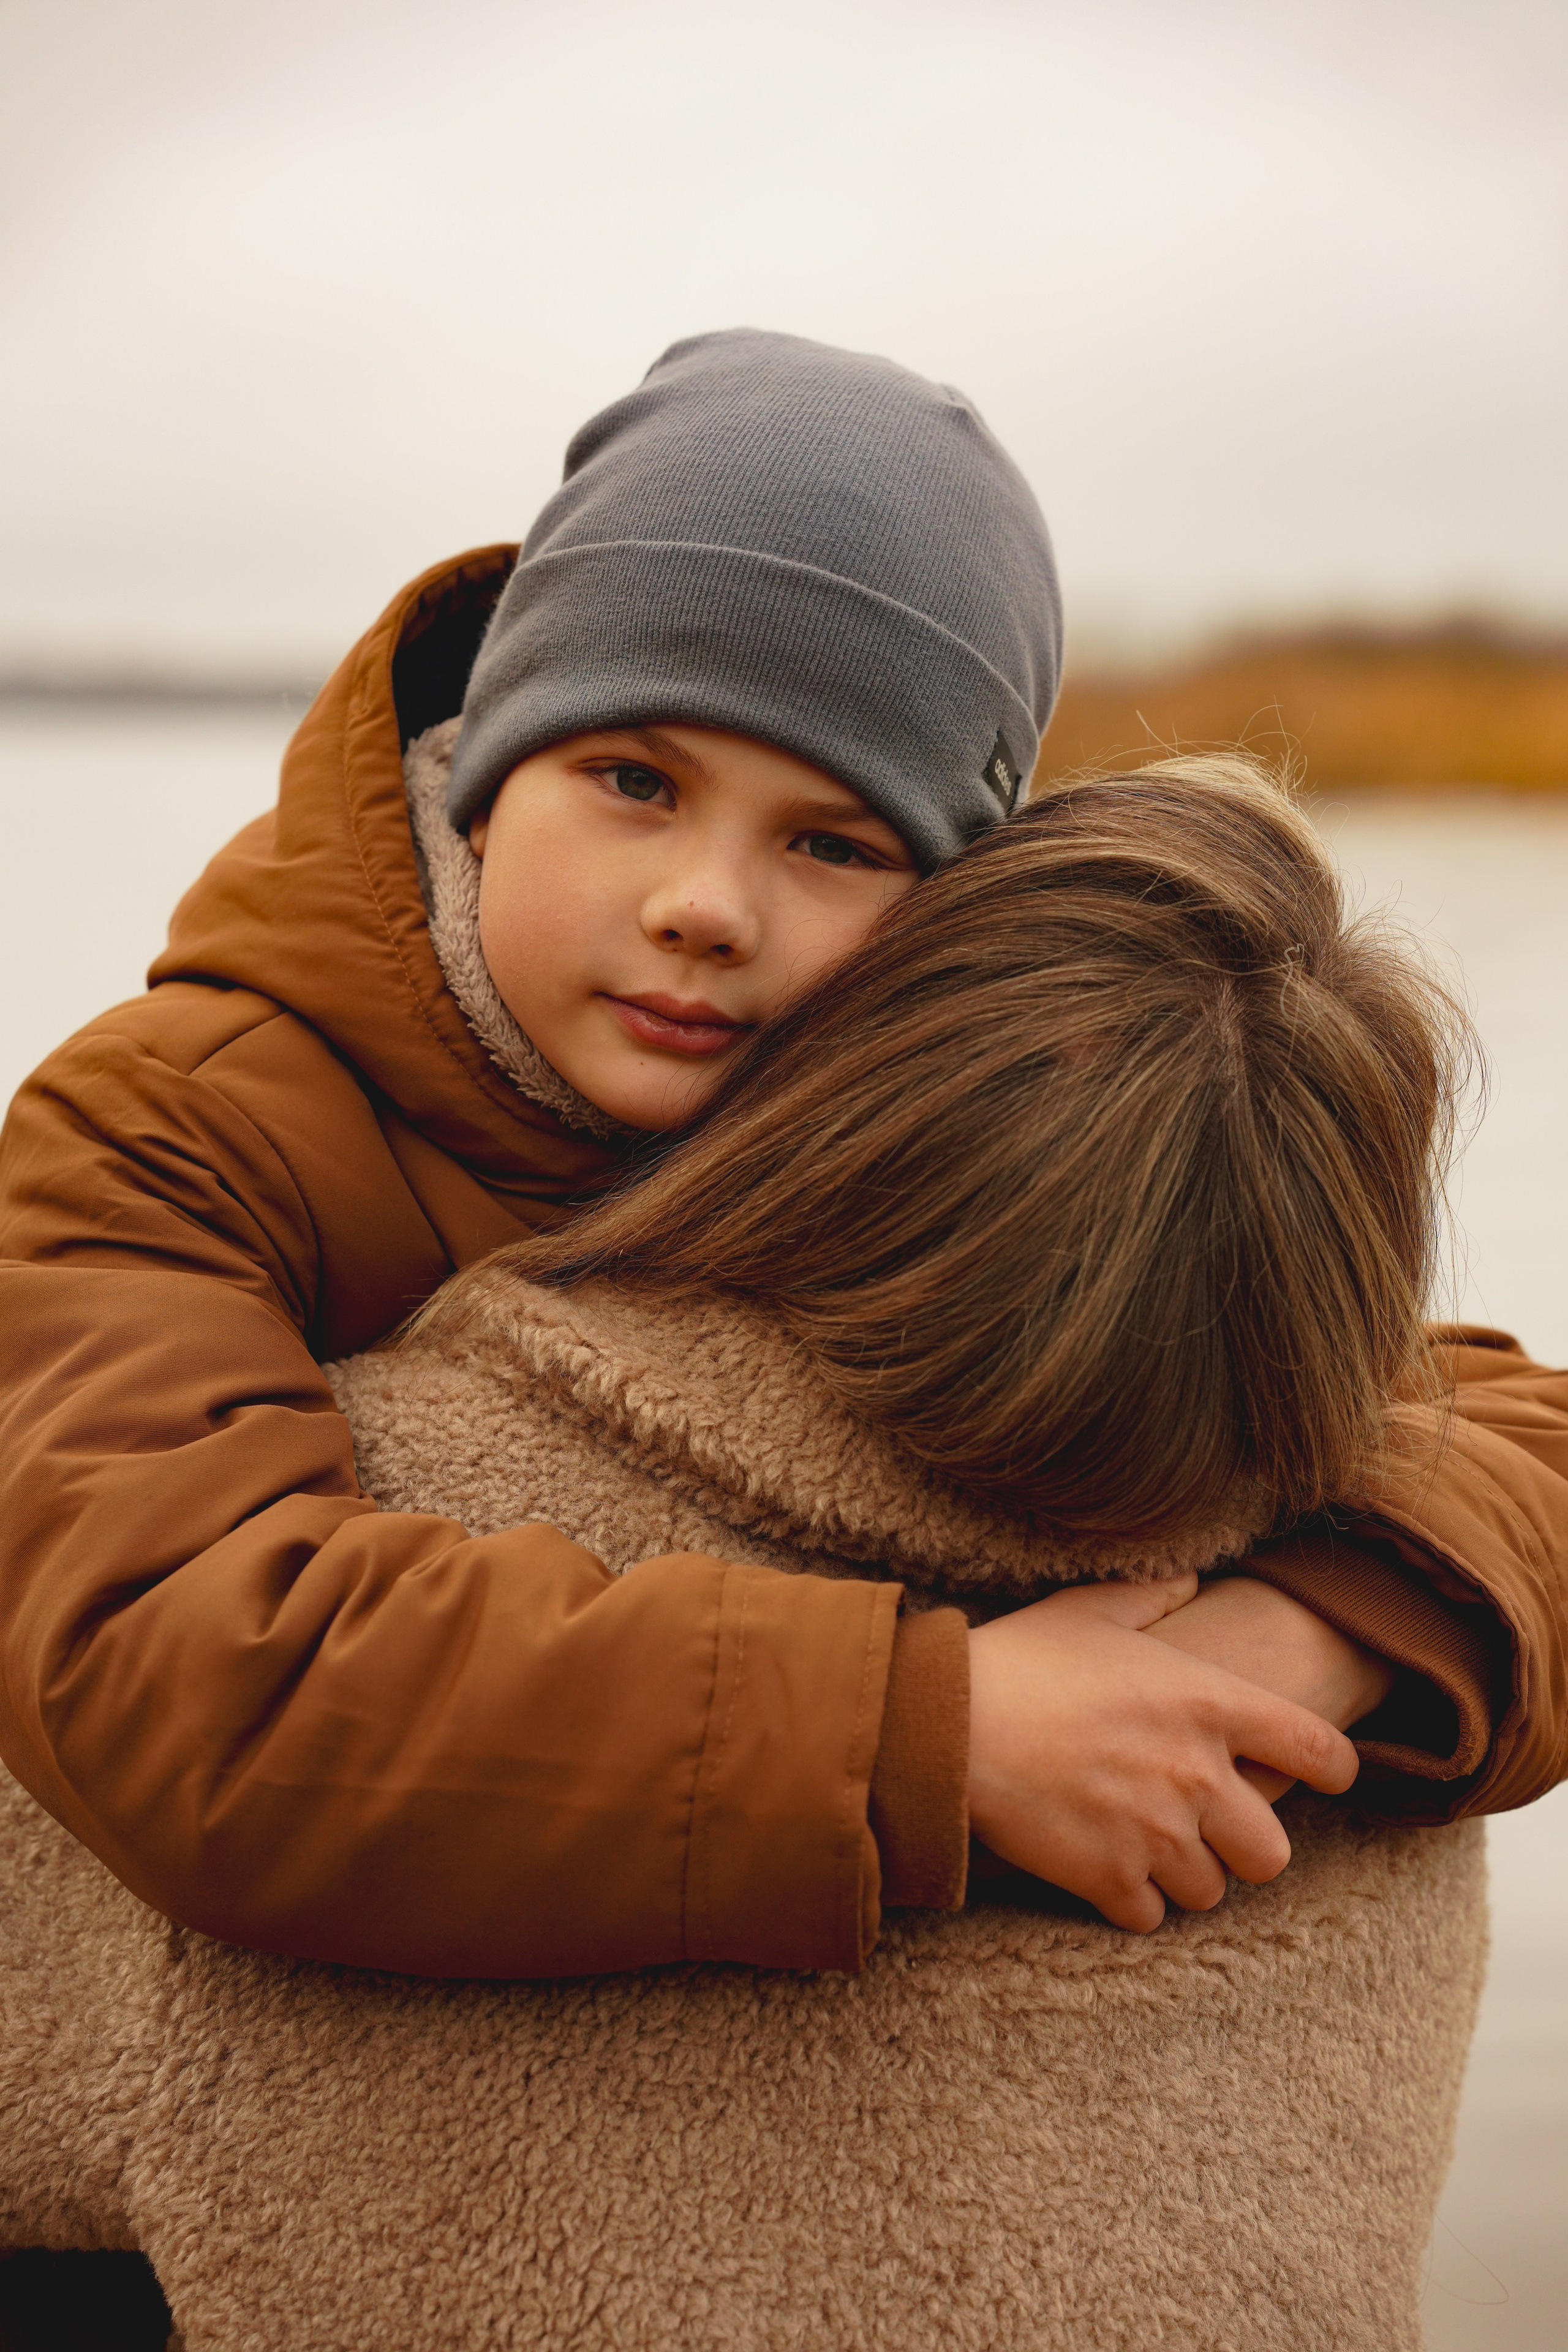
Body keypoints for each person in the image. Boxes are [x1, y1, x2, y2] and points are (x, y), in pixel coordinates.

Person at [0, 331, 1562, 1978]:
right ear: (486, 772)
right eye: (631, 780)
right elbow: (182, 1674)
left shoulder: (904, 1114)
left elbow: (1502, 1423)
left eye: (833, 841)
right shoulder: (161, 1130)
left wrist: (1298, 1644)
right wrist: (936, 1739)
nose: (709, 906)